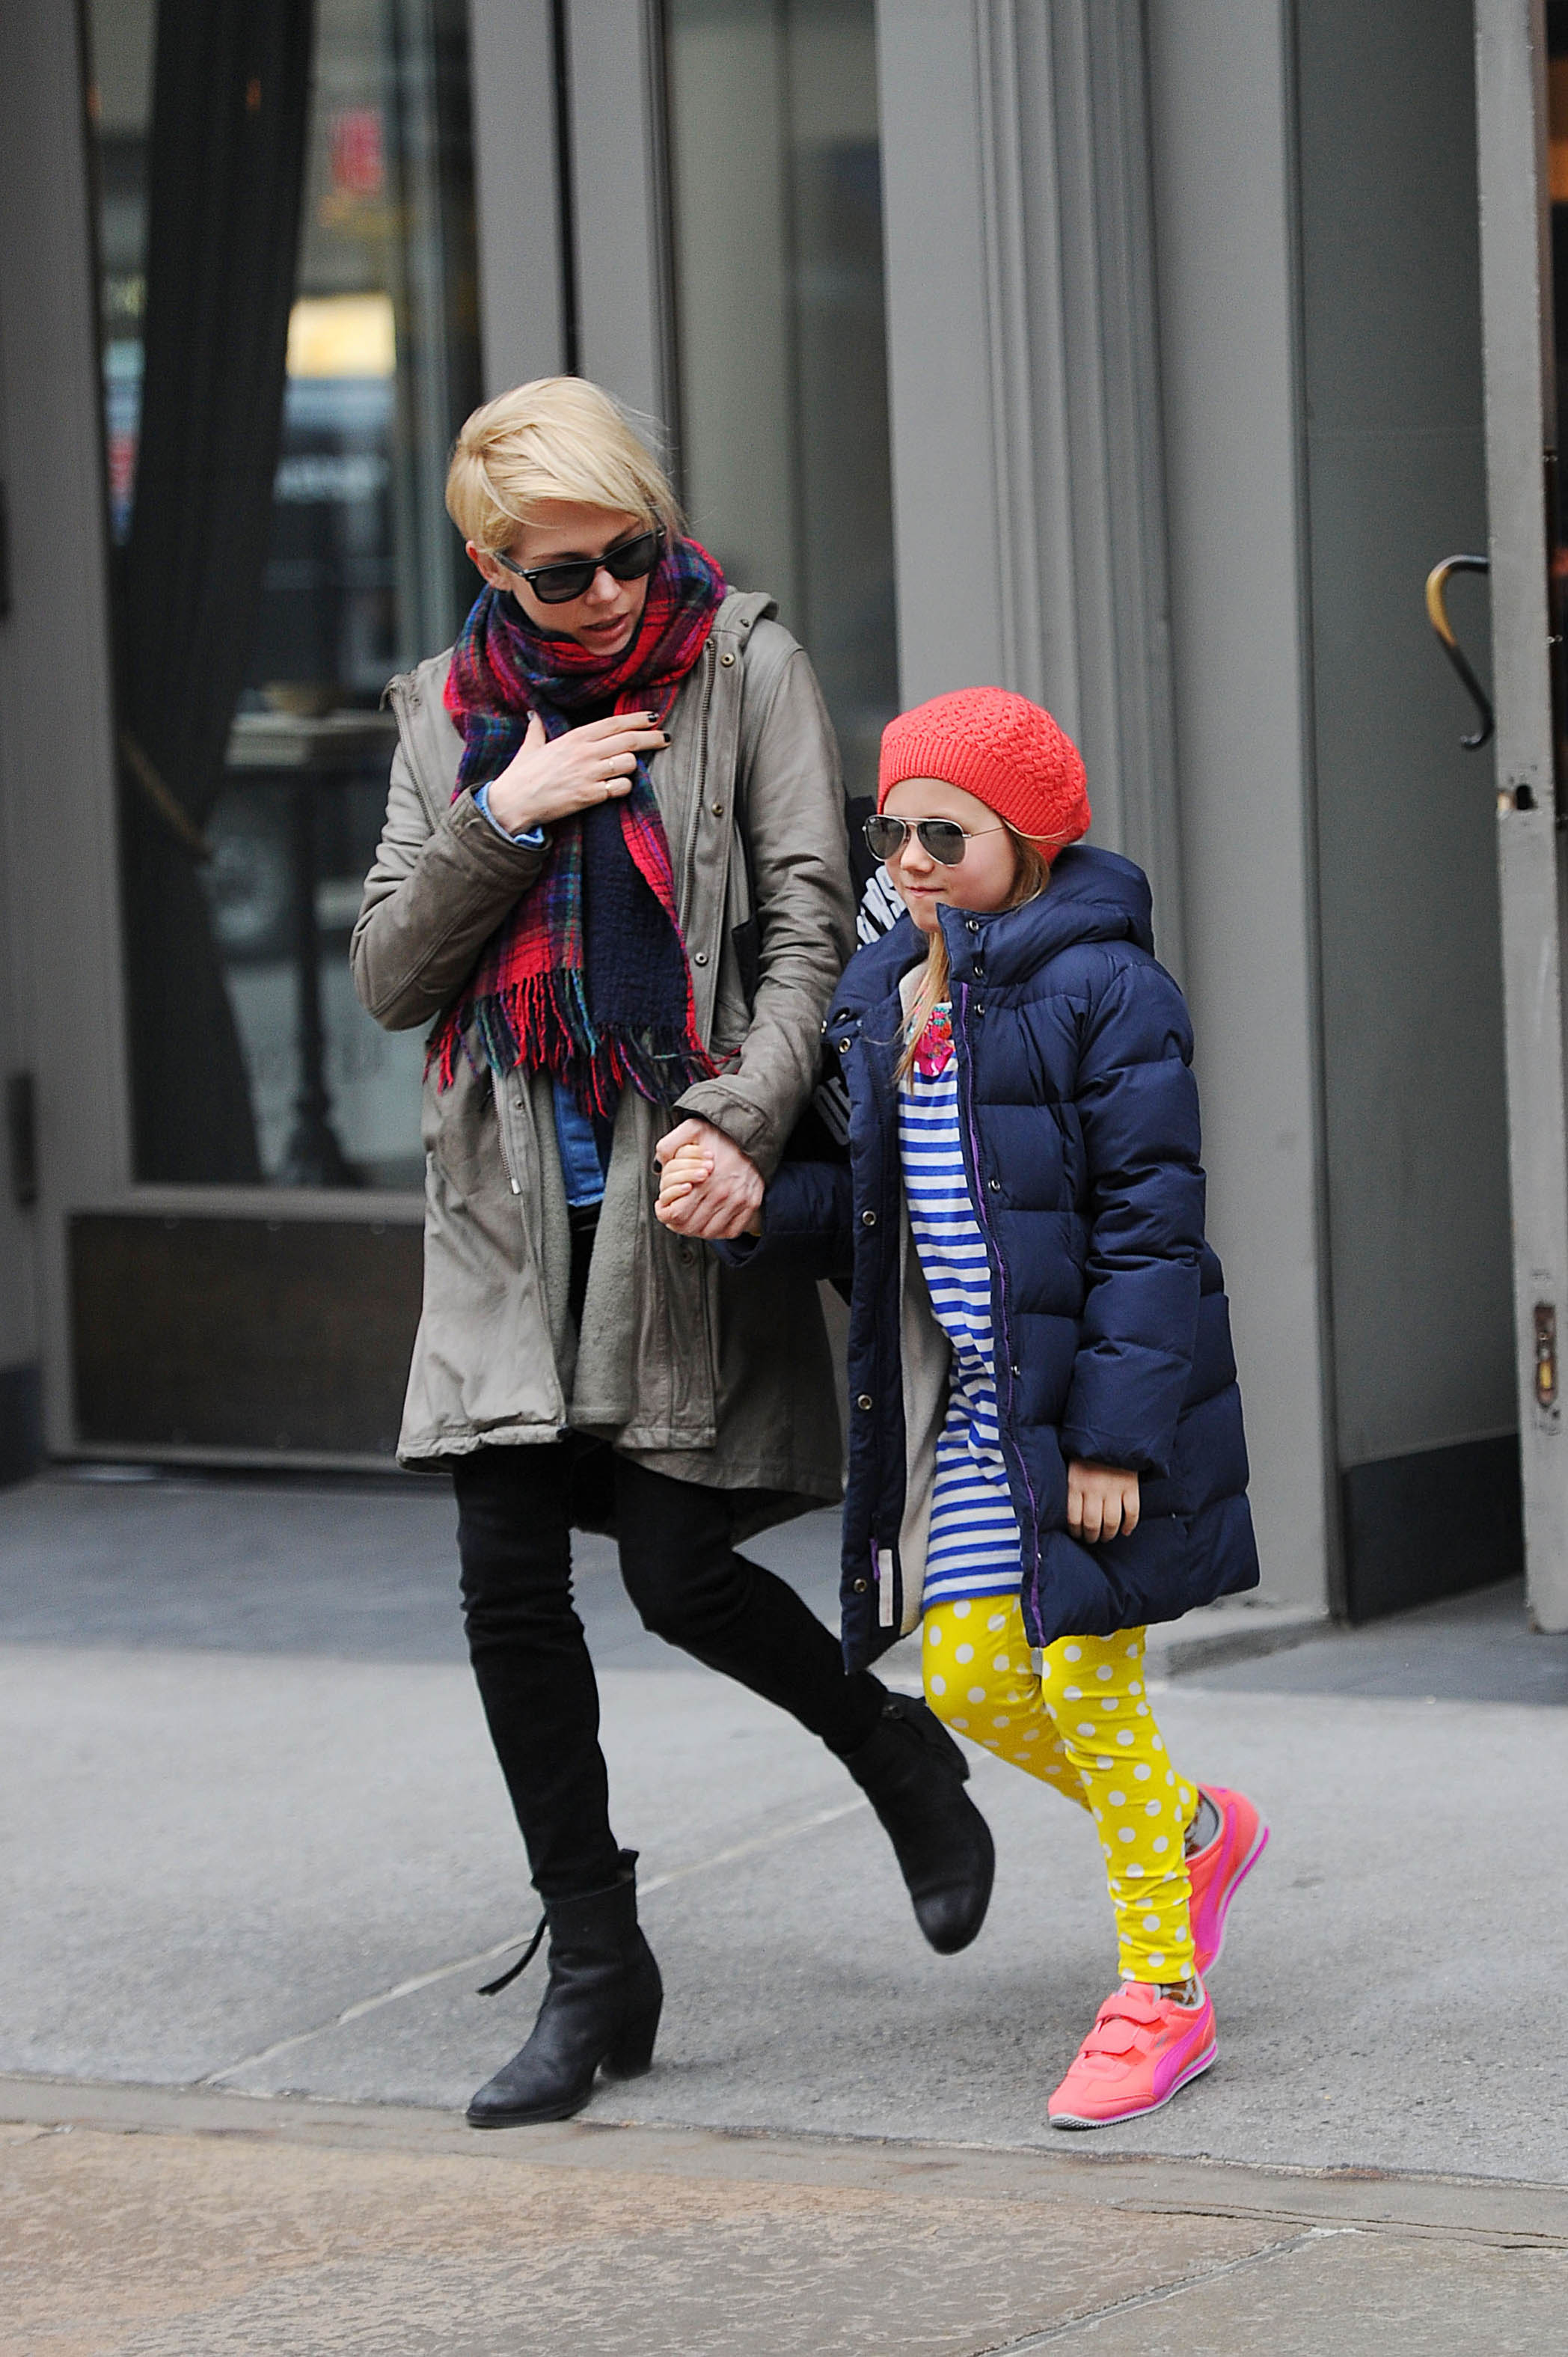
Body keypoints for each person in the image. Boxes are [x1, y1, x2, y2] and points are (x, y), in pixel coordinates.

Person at [351, 379, 994, 2131]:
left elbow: (806, 931)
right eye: (564, 574)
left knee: (676, 1569)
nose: (613, 592)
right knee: (504, 1590)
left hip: (679, 1179)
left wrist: (737, 1115)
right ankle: (593, 1965)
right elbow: (392, 974)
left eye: (631, 551)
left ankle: (894, 1752)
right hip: (505, 1204)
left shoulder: (748, 668)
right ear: (495, 564)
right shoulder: (445, 716)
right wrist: (513, 808)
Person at [658, 685, 1268, 2128]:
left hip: (1091, 1409)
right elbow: (869, 1210)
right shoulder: (886, 996)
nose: (914, 856)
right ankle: (1191, 1832)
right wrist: (750, 1196)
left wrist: (1117, 1438)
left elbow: (1149, 1225)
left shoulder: (1108, 991)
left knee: (1085, 1681)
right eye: (896, 828)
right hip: (973, 1410)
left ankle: (1164, 1996)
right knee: (978, 1678)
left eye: (950, 831)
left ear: (1037, 841)